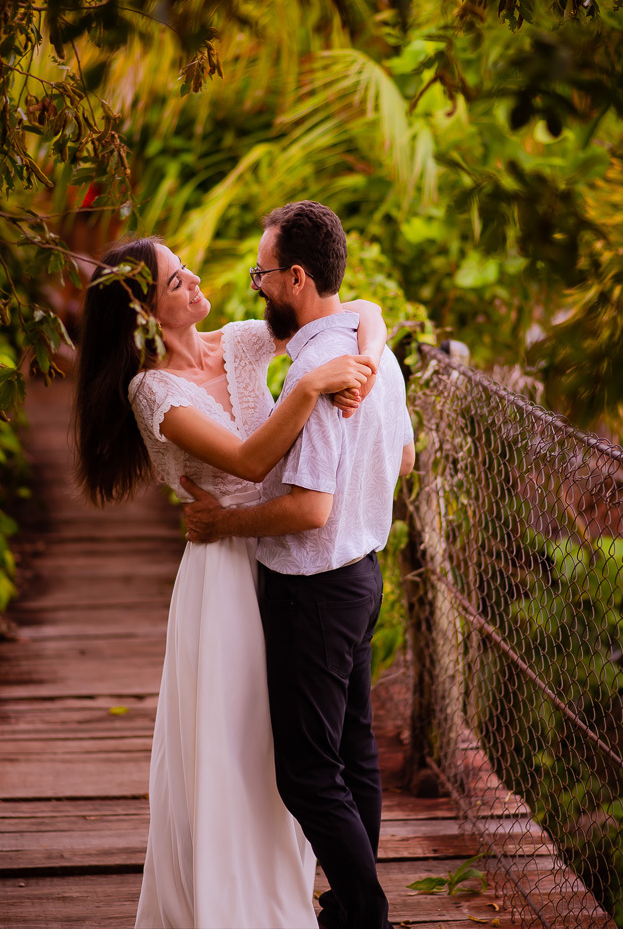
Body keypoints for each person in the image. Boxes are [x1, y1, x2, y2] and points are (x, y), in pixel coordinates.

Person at [73, 234, 389, 929]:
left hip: (286, 557)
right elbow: (247, 463)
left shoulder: (243, 341)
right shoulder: (152, 390)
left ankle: (314, 893)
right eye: (174, 281)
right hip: (223, 572)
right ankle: (237, 903)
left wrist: (363, 357)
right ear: (145, 315)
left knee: (307, 746)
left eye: (186, 269)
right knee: (240, 741)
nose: (193, 281)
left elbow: (358, 309)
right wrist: (309, 384)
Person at [182, 201, 416, 929]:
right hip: (360, 578)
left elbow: (309, 509)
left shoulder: (320, 371)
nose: (256, 286)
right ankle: (349, 909)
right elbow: (402, 457)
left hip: (312, 590)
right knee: (351, 758)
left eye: (262, 275)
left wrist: (225, 521)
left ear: (296, 277)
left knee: (309, 776)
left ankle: (365, 916)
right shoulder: (366, 352)